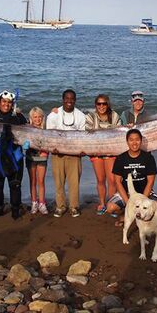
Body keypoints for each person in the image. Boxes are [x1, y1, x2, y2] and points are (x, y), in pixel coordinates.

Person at [0, 90, 27, 219]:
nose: (6, 104)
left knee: (15, 184)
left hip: (14, 155)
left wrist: (27, 143)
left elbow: (27, 134)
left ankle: (15, 209)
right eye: (4, 102)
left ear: (12, 104)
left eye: (9, 102)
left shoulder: (19, 117)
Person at [105, 129, 157, 226]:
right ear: (127, 142)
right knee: (110, 208)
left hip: (144, 193)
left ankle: (142, 218)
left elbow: (150, 182)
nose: (134, 143)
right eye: (131, 140)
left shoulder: (148, 158)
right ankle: (124, 215)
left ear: (141, 141)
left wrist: (143, 200)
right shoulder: (120, 158)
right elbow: (117, 182)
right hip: (127, 193)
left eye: (137, 139)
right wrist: (128, 203)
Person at [45, 89, 86, 217]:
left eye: (72, 98)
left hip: (74, 155)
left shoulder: (80, 115)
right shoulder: (53, 115)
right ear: (63, 100)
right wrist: (53, 148)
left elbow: (83, 135)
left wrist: (81, 150)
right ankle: (60, 206)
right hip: (57, 154)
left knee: (74, 183)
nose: (69, 101)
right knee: (59, 182)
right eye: (67, 98)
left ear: (75, 100)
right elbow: (49, 135)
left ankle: (74, 207)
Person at [85, 94, 121, 215]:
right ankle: (102, 203)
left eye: (104, 103)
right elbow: (87, 134)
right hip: (96, 152)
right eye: (99, 104)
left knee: (112, 180)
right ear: (96, 105)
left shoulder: (115, 116)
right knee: (100, 179)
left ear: (108, 104)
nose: (101, 106)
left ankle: (111, 203)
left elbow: (120, 133)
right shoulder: (90, 116)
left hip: (111, 152)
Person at [26, 107, 49, 215]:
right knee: (33, 181)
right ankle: (34, 202)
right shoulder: (27, 128)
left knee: (41, 181)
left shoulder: (46, 129)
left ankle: (42, 203)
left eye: (39, 116)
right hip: (30, 157)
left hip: (42, 157)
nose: (37, 119)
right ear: (31, 118)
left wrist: (54, 111)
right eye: (35, 117)